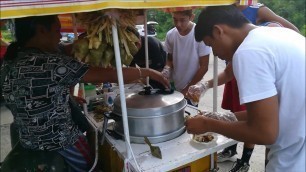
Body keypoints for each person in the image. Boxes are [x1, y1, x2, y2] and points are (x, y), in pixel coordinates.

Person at [0, 15, 169, 171]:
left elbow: (31, 91)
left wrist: (62, 97)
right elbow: (106, 75)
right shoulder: (49, 63)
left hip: (27, 140)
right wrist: (148, 72)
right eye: (57, 30)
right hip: (60, 143)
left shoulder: (12, 58)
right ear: (41, 30)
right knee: (92, 165)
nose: (60, 36)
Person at [185, 5, 305, 172]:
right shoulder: (281, 33)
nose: (215, 53)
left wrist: (208, 124)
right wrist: (225, 117)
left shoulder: (249, 51)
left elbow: (264, 133)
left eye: (210, 44)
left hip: (294, 161)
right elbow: (277, 109)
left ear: (218, 31)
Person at [162, 9, 211, 105]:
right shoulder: (170, 34)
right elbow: (170, 58)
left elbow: (204, 67)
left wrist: (187, 89)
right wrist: (167, 69)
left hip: (193, 87)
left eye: (182, 20)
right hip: (175, 83)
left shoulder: (199, 35)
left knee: (189, 115)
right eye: (175, 20)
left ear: (191, 17)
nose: (178, 24)